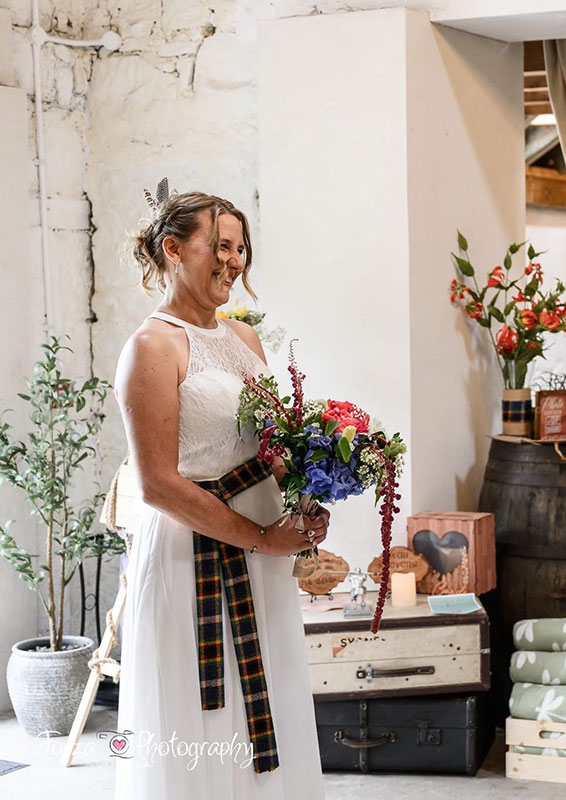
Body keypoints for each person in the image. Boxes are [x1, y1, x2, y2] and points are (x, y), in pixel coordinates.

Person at [113, 187, 328, 799]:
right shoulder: (151, 348)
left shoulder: (246, 341)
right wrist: (259, 537)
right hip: (193, 560)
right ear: (173, 249)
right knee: (200, 706)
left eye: (241, 248)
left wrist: (307, 497)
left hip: (263, 556)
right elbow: (157, 484)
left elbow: (266, 452)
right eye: (221, 246)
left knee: (268, 688)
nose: (235, 261)